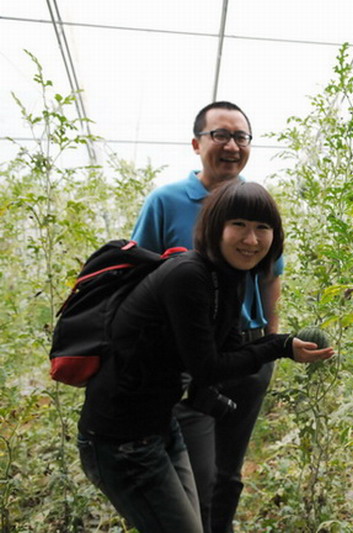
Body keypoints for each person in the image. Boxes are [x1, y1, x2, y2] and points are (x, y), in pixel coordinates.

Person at [77, 181, 335, 532]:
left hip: (159, 428)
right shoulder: (189, 275)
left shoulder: (228, 277)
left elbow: (227, 350)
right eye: (239, 225)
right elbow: (208, 368)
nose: (252, 239)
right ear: (216, 228)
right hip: (121, 440)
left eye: (262, 227)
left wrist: (283, 344)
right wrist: (281, 346)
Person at [129, 101, 280, 532]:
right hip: (187, 359)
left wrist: (269, 341)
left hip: (247, 352)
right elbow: (139, 273)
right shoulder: (166, 201)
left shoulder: (255, 200)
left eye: (241, 137)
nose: (232, 145)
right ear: (197, 144)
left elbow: (271, 275)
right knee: (196, 469)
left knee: (229, 470)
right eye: (221, 135)